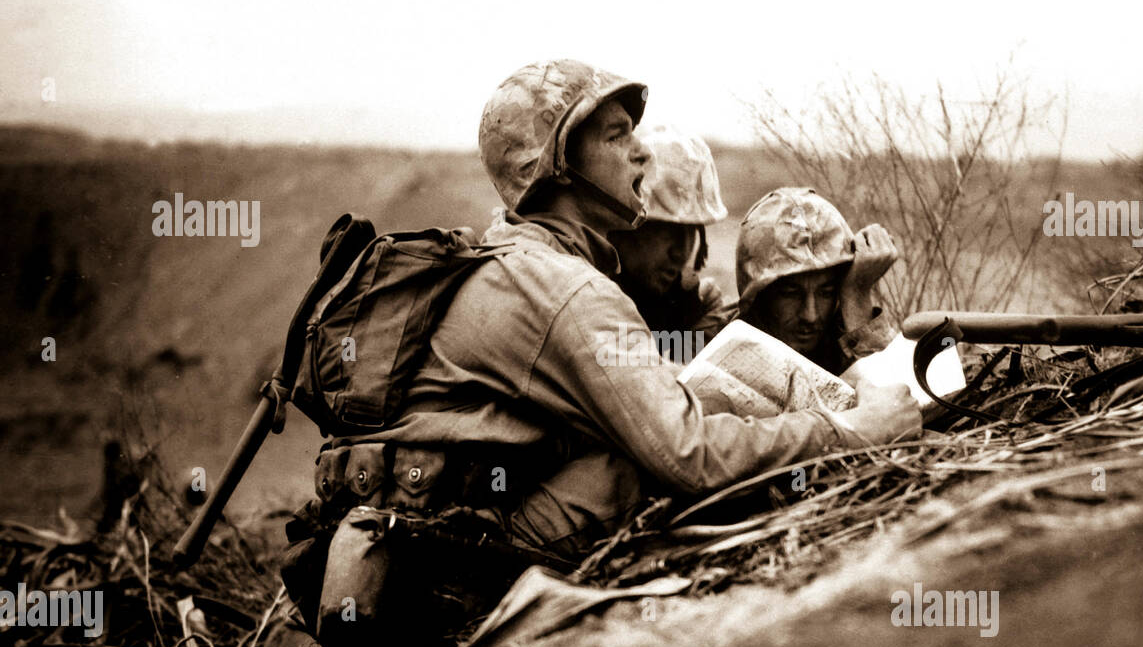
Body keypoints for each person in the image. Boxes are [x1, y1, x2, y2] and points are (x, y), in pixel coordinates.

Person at [311, 60, 920, 571]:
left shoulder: (515, 259)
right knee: (643, 464)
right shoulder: (566, 291)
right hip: (458, 568)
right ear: (556, 164)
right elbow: (691, 457)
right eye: (615, 135)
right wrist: (854, 433)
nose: (641, 153)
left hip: (436, 543)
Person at [735, 187, 899, 375]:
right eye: (791, 294)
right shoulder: (710, 336)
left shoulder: (844, 347)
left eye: (826, 293)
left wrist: (857, 294)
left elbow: (895, 395)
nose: (810, 316)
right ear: (758, 296)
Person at [607, 124, 731, 360]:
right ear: (623, 224)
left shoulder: (694, 304)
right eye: (667, 230)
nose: (681, 252)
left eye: (692, 231)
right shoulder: (584, 296)